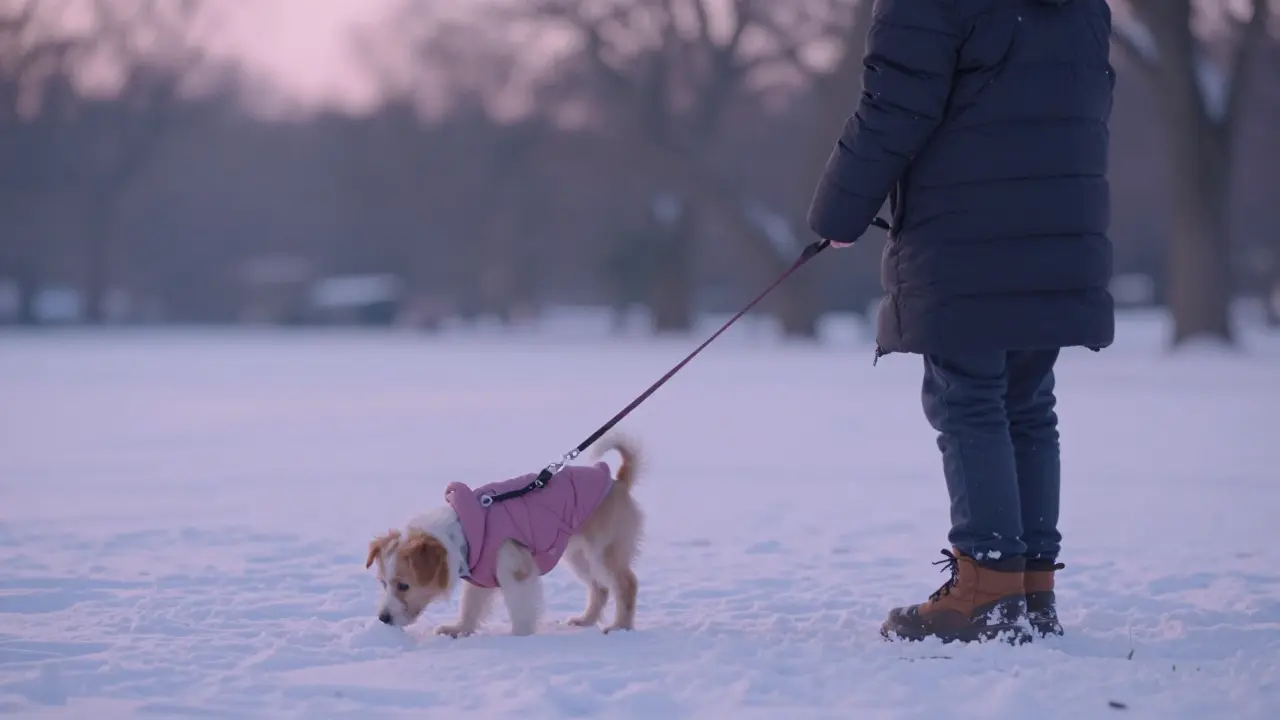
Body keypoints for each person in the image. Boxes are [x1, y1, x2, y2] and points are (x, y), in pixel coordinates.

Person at [808, 0, 1116, 644]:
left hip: (966, 233)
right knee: (1027, 402)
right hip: (1056, 225)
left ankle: (986, 592)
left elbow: (894, 107)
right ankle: (1029, 590)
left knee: (969, 399)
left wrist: (840, 212)